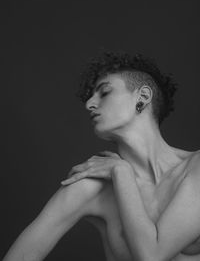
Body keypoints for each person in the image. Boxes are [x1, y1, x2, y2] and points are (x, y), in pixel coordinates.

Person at [3, 51, 200, 261]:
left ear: (142, 97)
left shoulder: (195, 167)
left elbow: (152, 255)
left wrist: (122, 172)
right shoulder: (89, 187)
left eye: (104, 93)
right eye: (90, 97)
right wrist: (121, 171)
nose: (89, 104)